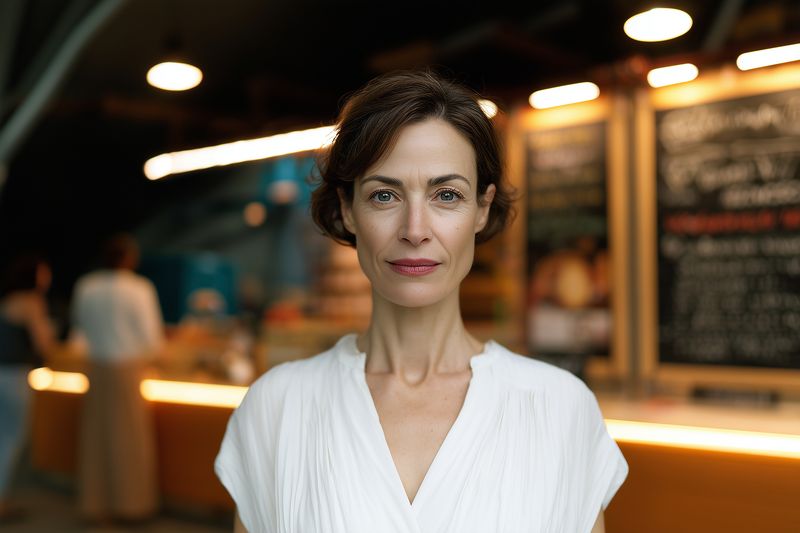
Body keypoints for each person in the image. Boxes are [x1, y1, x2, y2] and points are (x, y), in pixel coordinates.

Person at [215, 71, 628, 533]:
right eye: (384, 195)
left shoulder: (559, 408)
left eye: (446, 195)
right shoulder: (278, 407)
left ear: (482, 208)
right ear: (349, 209)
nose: (415, 229)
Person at [71, 233, 164, 523]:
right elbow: (152, 338)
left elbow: (79, 329)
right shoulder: (139, 289)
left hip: (95, 367)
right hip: (128, 368)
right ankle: (132, 506)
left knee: (95, 438)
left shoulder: (86, 286)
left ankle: (94, 505)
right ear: (128, 258)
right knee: (130, 440)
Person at [0, 253, 56, 523]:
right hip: (13, 375)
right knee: (11, 439)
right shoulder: (31, 302)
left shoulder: (7, 299)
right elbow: (43, 344)